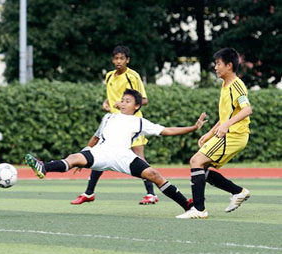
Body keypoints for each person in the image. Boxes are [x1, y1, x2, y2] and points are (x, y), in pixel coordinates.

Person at [26, 89, 207, 213]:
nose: (122, 103)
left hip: (123, 156)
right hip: (102, 153)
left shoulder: (139, 121)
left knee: (154, 174)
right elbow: (96, 138)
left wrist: (193, 127)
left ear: (136, 106)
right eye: (122, 100)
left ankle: (186, 205)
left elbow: (167, 130)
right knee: (73, 157)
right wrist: (83, 155)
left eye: (128, 101)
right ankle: (43, 167)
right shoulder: (109, 117)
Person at [71, 45, 157, 206]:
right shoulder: (109, 76)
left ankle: (151, 194)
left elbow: (143, 100)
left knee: (139, 157)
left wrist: (122, 104)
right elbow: (111, 97)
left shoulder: (132, 76)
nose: (119, 61)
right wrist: (107, 102)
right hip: (112, 123)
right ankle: (89, 192)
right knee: (101, 154)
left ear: (127, 60)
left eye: (122, 58)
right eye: (116, 58)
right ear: (112, 59)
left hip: (131, 124)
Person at [176, 48, 252, 219]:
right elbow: (227, 115)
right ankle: (238, 192)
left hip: (234, 135)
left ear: (229, 65)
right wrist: (210, 133)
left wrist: (226, 126)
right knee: (202, 169)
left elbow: (247, 109)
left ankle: (199, 209)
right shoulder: (225, 86)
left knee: (196, 160)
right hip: (229, 133)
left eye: (218, 64)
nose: (215, 67)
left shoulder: (236, 85)